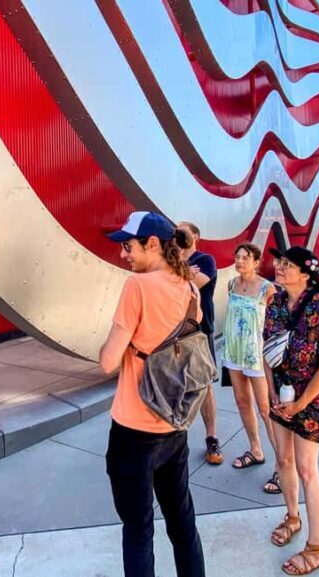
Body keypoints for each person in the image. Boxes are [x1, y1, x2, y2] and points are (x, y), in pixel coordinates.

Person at [100, 211, 206, 577]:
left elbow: (107, 361)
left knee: (138, 530)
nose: (124, 254)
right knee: (182, 523)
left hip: (134, 427)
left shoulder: (137, 287)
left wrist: (124, 342)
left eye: (129, 246)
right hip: (174, 424)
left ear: (153, 244)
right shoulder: (190, 287)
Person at [264, 246, 319, 576]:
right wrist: (271, 393)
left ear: (306, 274)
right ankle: (292, 517)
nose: (278, 268)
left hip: (312, 402)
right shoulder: (276, 303)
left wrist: (300, 403)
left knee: (308, 470)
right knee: (283, 460)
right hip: (281, 398)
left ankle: (316, 547)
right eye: (279, 263)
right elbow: (266, 348)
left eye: (286, 265)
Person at [221, 243, 280, 494]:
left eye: (246, 257)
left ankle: (282, 464)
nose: (240, 260)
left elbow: (277, 324)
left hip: (257, 354)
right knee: (242, 402)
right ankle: (256, 450)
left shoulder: (268, 289)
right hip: (234, 350)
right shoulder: (232, 284)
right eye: (238, 256)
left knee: (266, 409)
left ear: (257, 261)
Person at [178, 222, 223, 466]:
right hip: (173, 332)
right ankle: (175, 439)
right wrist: (184, 272)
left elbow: (197, 285)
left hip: (199, 331)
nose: (178, 234)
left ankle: (211, 437)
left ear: (195, 235)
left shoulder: (205, 259)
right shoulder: (172, 261)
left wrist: (179, 274)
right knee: (176, 384)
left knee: (204, 385)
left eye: (183, 231)